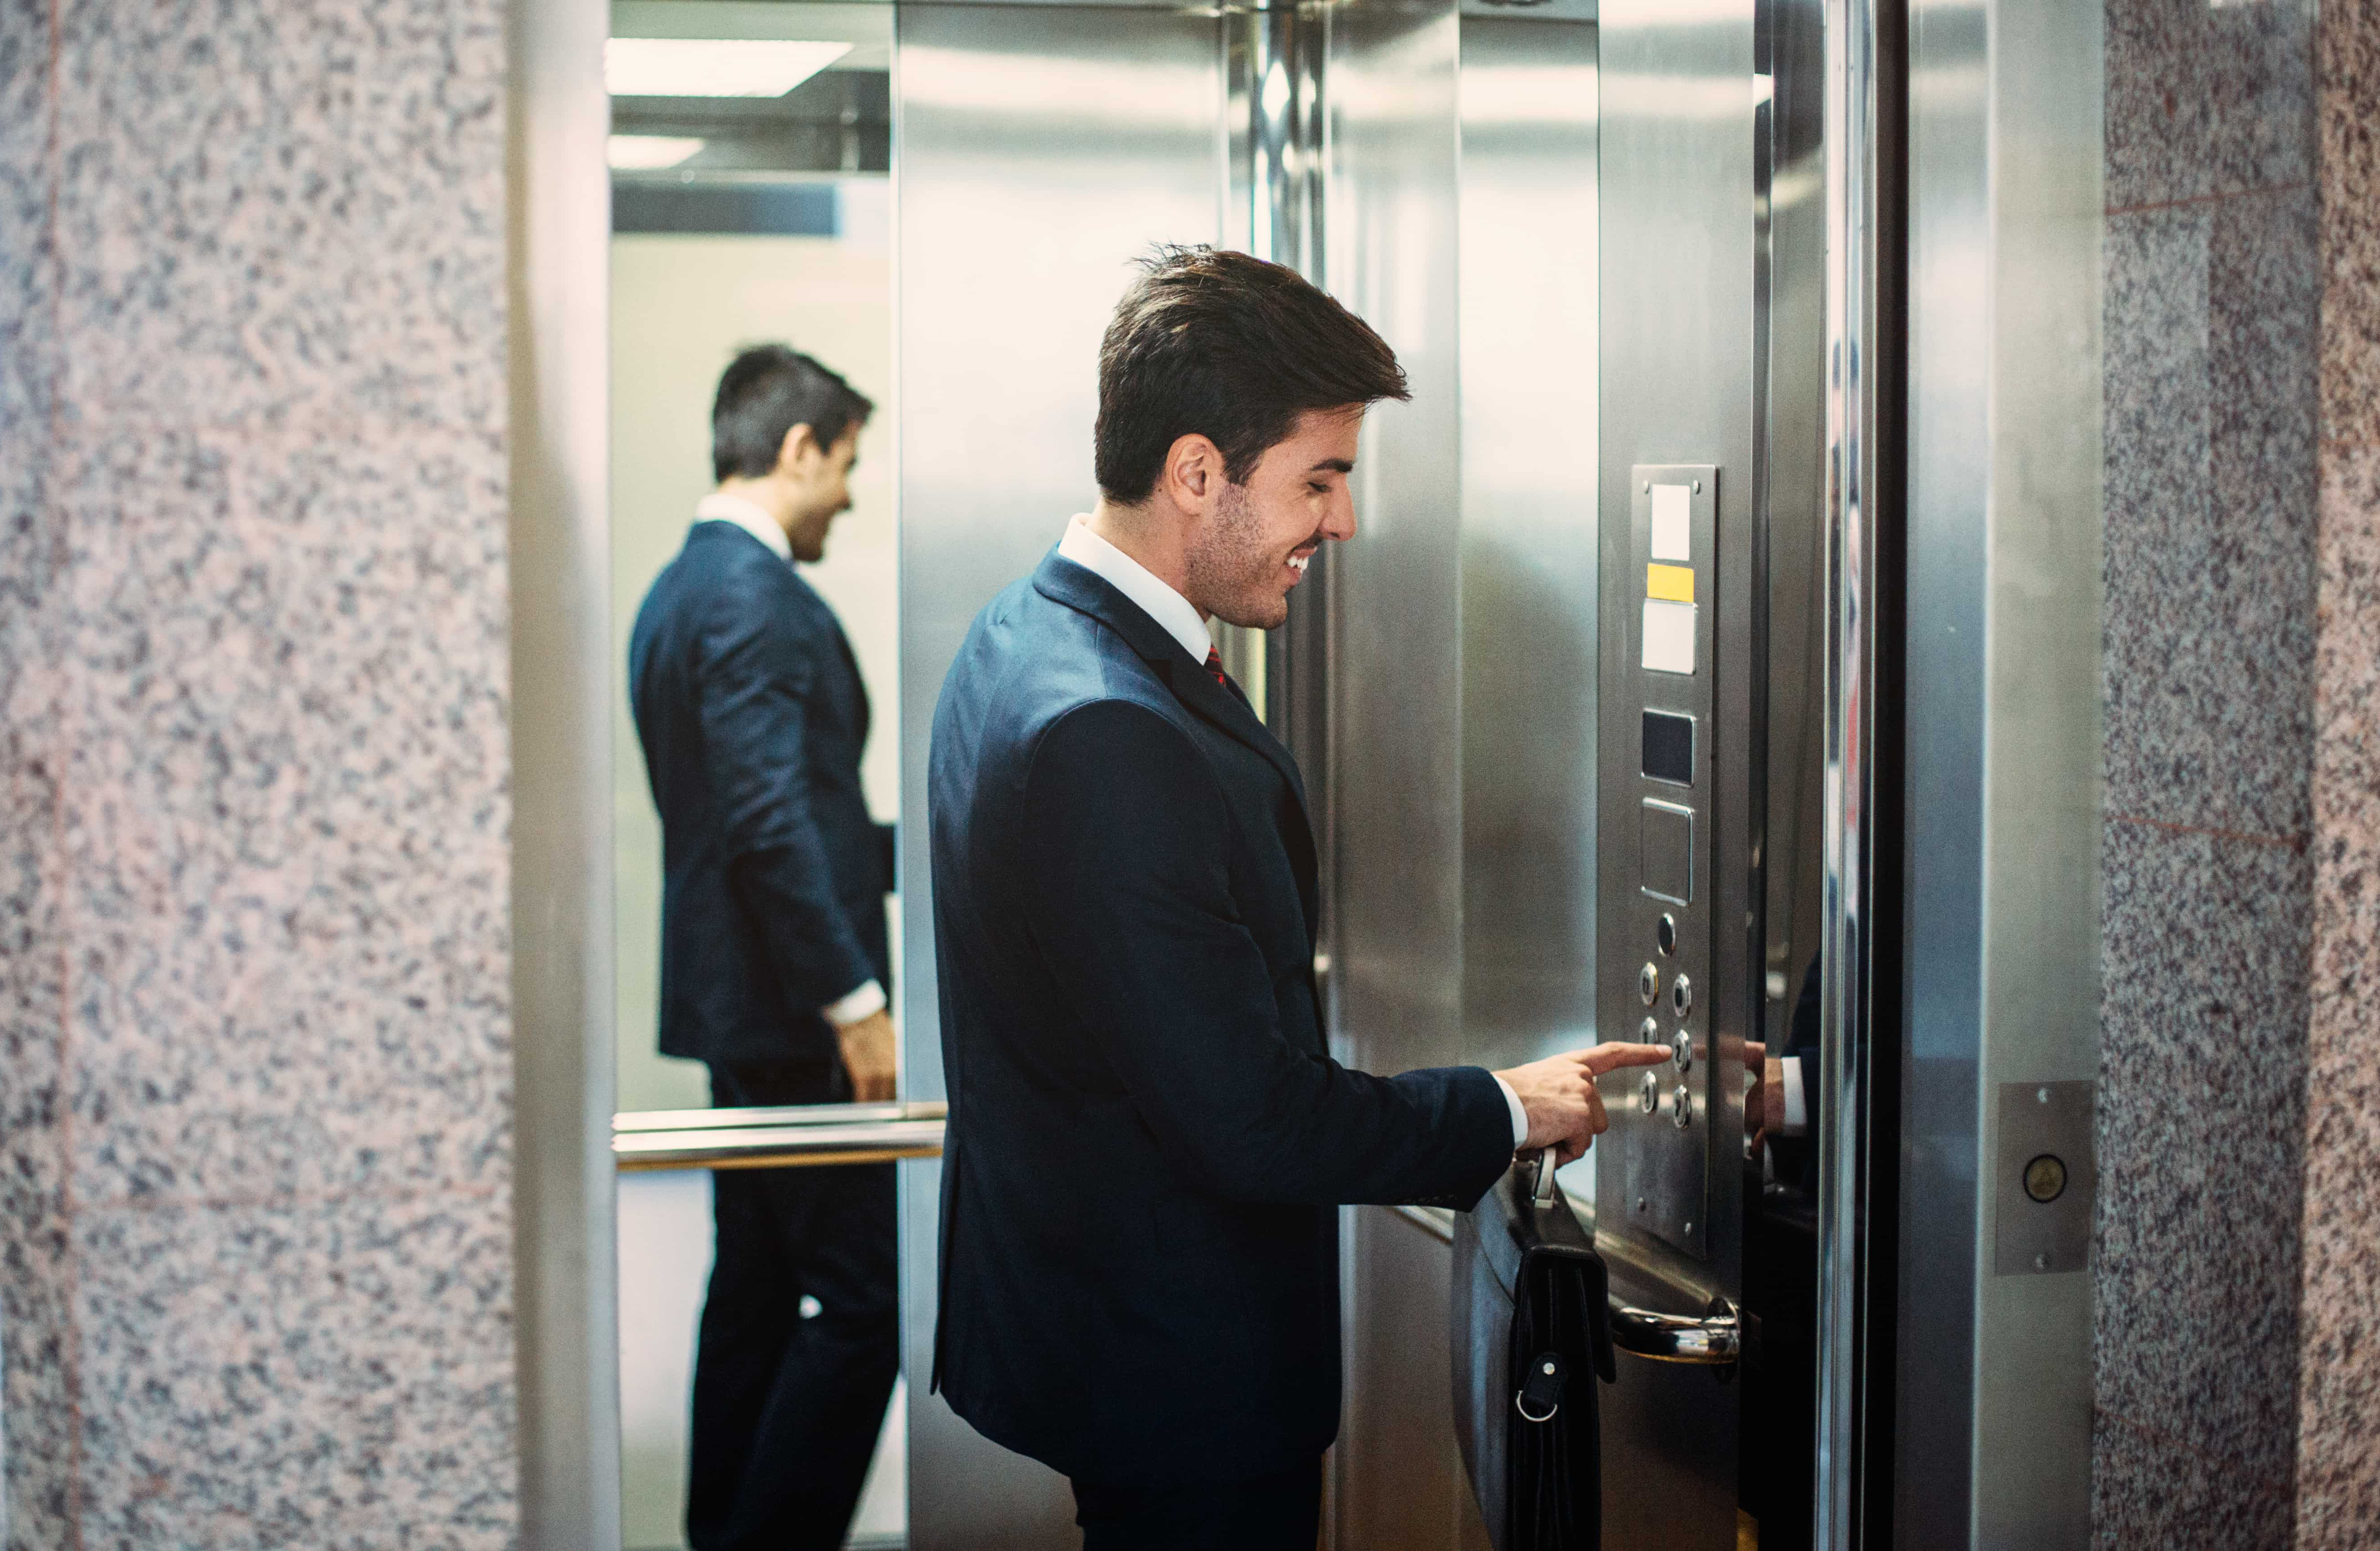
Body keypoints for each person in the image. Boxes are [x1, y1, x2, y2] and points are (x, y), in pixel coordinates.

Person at [925, 246, 1672, 1549]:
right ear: (1197, 470)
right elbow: (1250, 1122)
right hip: (1177, 1379)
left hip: (1107, 1332)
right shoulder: (1110, 728)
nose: (1344, 521)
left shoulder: (1021, 635)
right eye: (1318, 480)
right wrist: (1502, 1106)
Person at [628, 343, 900, 1551]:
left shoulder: (679, 592)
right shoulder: (753, 598)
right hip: (794, 1017)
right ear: (796, 450)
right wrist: (854, 1000)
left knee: (748, 1291)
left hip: (736, 1007)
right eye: (844, 465)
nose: (848, 492)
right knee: (864, 1306)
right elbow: (766, 819)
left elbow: (779, 815)